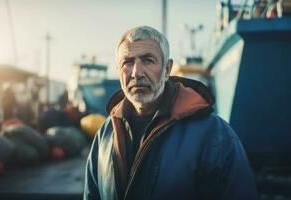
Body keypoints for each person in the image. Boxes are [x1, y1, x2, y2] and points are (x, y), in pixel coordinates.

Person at [84, 26, 259, 200]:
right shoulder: (106, 133)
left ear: (167, 69)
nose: (136, 73)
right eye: (127, 62)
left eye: (148, 60)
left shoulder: (215, 136)